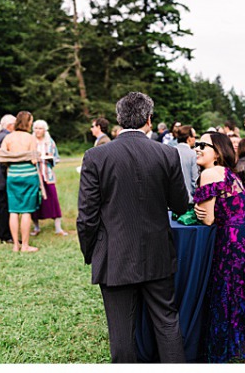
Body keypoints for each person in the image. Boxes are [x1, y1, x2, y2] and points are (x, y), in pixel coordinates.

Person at [78, 92, 192, 362]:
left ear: (119, 120)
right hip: (157, 251)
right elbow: (179, 204)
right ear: (149, 120)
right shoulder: (167, 153)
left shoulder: (96, 156)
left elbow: (86, 217)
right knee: (166, 322)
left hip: (115, 253)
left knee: (121, 332)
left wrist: (91, 252)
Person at [190, 132, 245, 363]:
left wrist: (197, 212)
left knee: (237, 299)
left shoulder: (210, 173)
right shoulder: (230, 173)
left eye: (203, 145)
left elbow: (208, 218)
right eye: (197, 144)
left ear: (218, 151)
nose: (198, 148)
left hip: (234, 243)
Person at [0, 111, 46, 252]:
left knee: (13, 210)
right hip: (28, 175)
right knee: (26, 211)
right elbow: (33, 158)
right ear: (28, 122)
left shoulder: (8, 137)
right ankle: (25, 245)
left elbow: (2, 156)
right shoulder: (30, 138)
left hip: (13, 175)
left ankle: (15, 245)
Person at [33, 120, 69, 236]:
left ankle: (58, 228)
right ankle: (36, 227)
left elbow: (56, 158)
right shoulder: (31, 141)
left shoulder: (49, 142)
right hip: (34, 174)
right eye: (36, 128)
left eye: (40, 128)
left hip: (47, 174)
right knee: (35, 201)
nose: (38, 131)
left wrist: (50, 158)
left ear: (45, 130)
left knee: (53, 199)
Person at [0, 114, 16, 243]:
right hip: (2, 177)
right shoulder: (5, 137)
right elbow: (4, 158)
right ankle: (4, 234)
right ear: (9, 125)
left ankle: (1, 233)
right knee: (5, 205)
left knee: (2, 205)